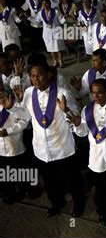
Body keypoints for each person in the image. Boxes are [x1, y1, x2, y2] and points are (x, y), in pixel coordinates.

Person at [9, 62, 85, 217]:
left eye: (39, 74)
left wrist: (66, 110)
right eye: (32, 76)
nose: (35, 79)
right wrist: (13, 107)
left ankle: (79, 205)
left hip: (63, 148)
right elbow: (26, 117)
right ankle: (57, 203)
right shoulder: (28, 93)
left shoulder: (62, 93)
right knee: (51, 182)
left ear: (49, 75)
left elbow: (77, 118)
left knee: (72, 181)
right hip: (41, 149)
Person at [68, 79, 106, 223]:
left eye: (100, 93)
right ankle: (103, 211)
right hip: (97, 157)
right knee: (100, 187)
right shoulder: (87, 110)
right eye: (93, 93)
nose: (96, 96)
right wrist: (78, 125)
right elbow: (83, 133)